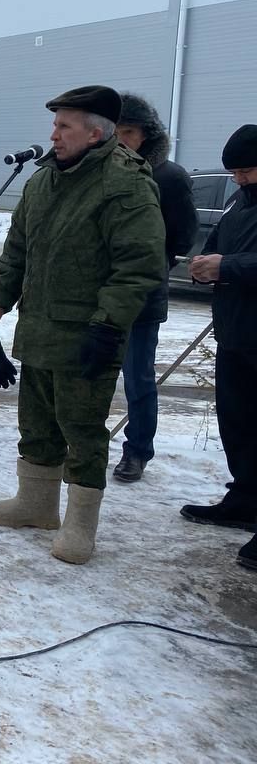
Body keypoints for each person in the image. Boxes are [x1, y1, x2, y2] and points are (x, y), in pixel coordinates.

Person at [0, 86, 164, 565]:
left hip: (87, 333)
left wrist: (107, 326)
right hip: (38, 324)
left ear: (95, 132)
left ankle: (81, 523)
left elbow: (138, 266)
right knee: (36, 422)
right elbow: (17, 247)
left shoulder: (125, 183)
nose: (53, 134)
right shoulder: (41, 180)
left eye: (64, 126)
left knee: (81, 429)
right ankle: (37, 504)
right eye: (54, 124)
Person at [110, 94, 199, 482]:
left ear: (146, 135)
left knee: (138, 378)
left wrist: (156, 259)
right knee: (85, 372)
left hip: (142, 296)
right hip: (97, 292)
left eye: (127, 132)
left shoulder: (168, 176)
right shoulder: (101, 170)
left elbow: (184, 236)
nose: (120, 140)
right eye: (115, 132)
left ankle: (137, 451)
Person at [181, 124, 257, 569]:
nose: (241, 179)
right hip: (234, 333)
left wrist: (228, 265)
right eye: (235, 173)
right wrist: (203, 266)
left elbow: (234, 259)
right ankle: (244, 500)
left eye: (247, 170)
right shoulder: (238, 202)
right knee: (240, 425)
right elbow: (215, 247)